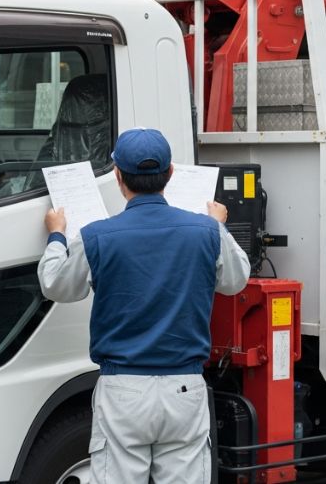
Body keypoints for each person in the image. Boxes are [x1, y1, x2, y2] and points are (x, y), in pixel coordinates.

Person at [37, 128, 251, 483]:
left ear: (118, 176)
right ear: (169, 175)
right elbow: (235, 280)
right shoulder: (206, 232)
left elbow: (56, 286)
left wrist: (57, 234)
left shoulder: (96, 235)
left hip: (123, 391)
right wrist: (220, 226)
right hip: (185, 388)